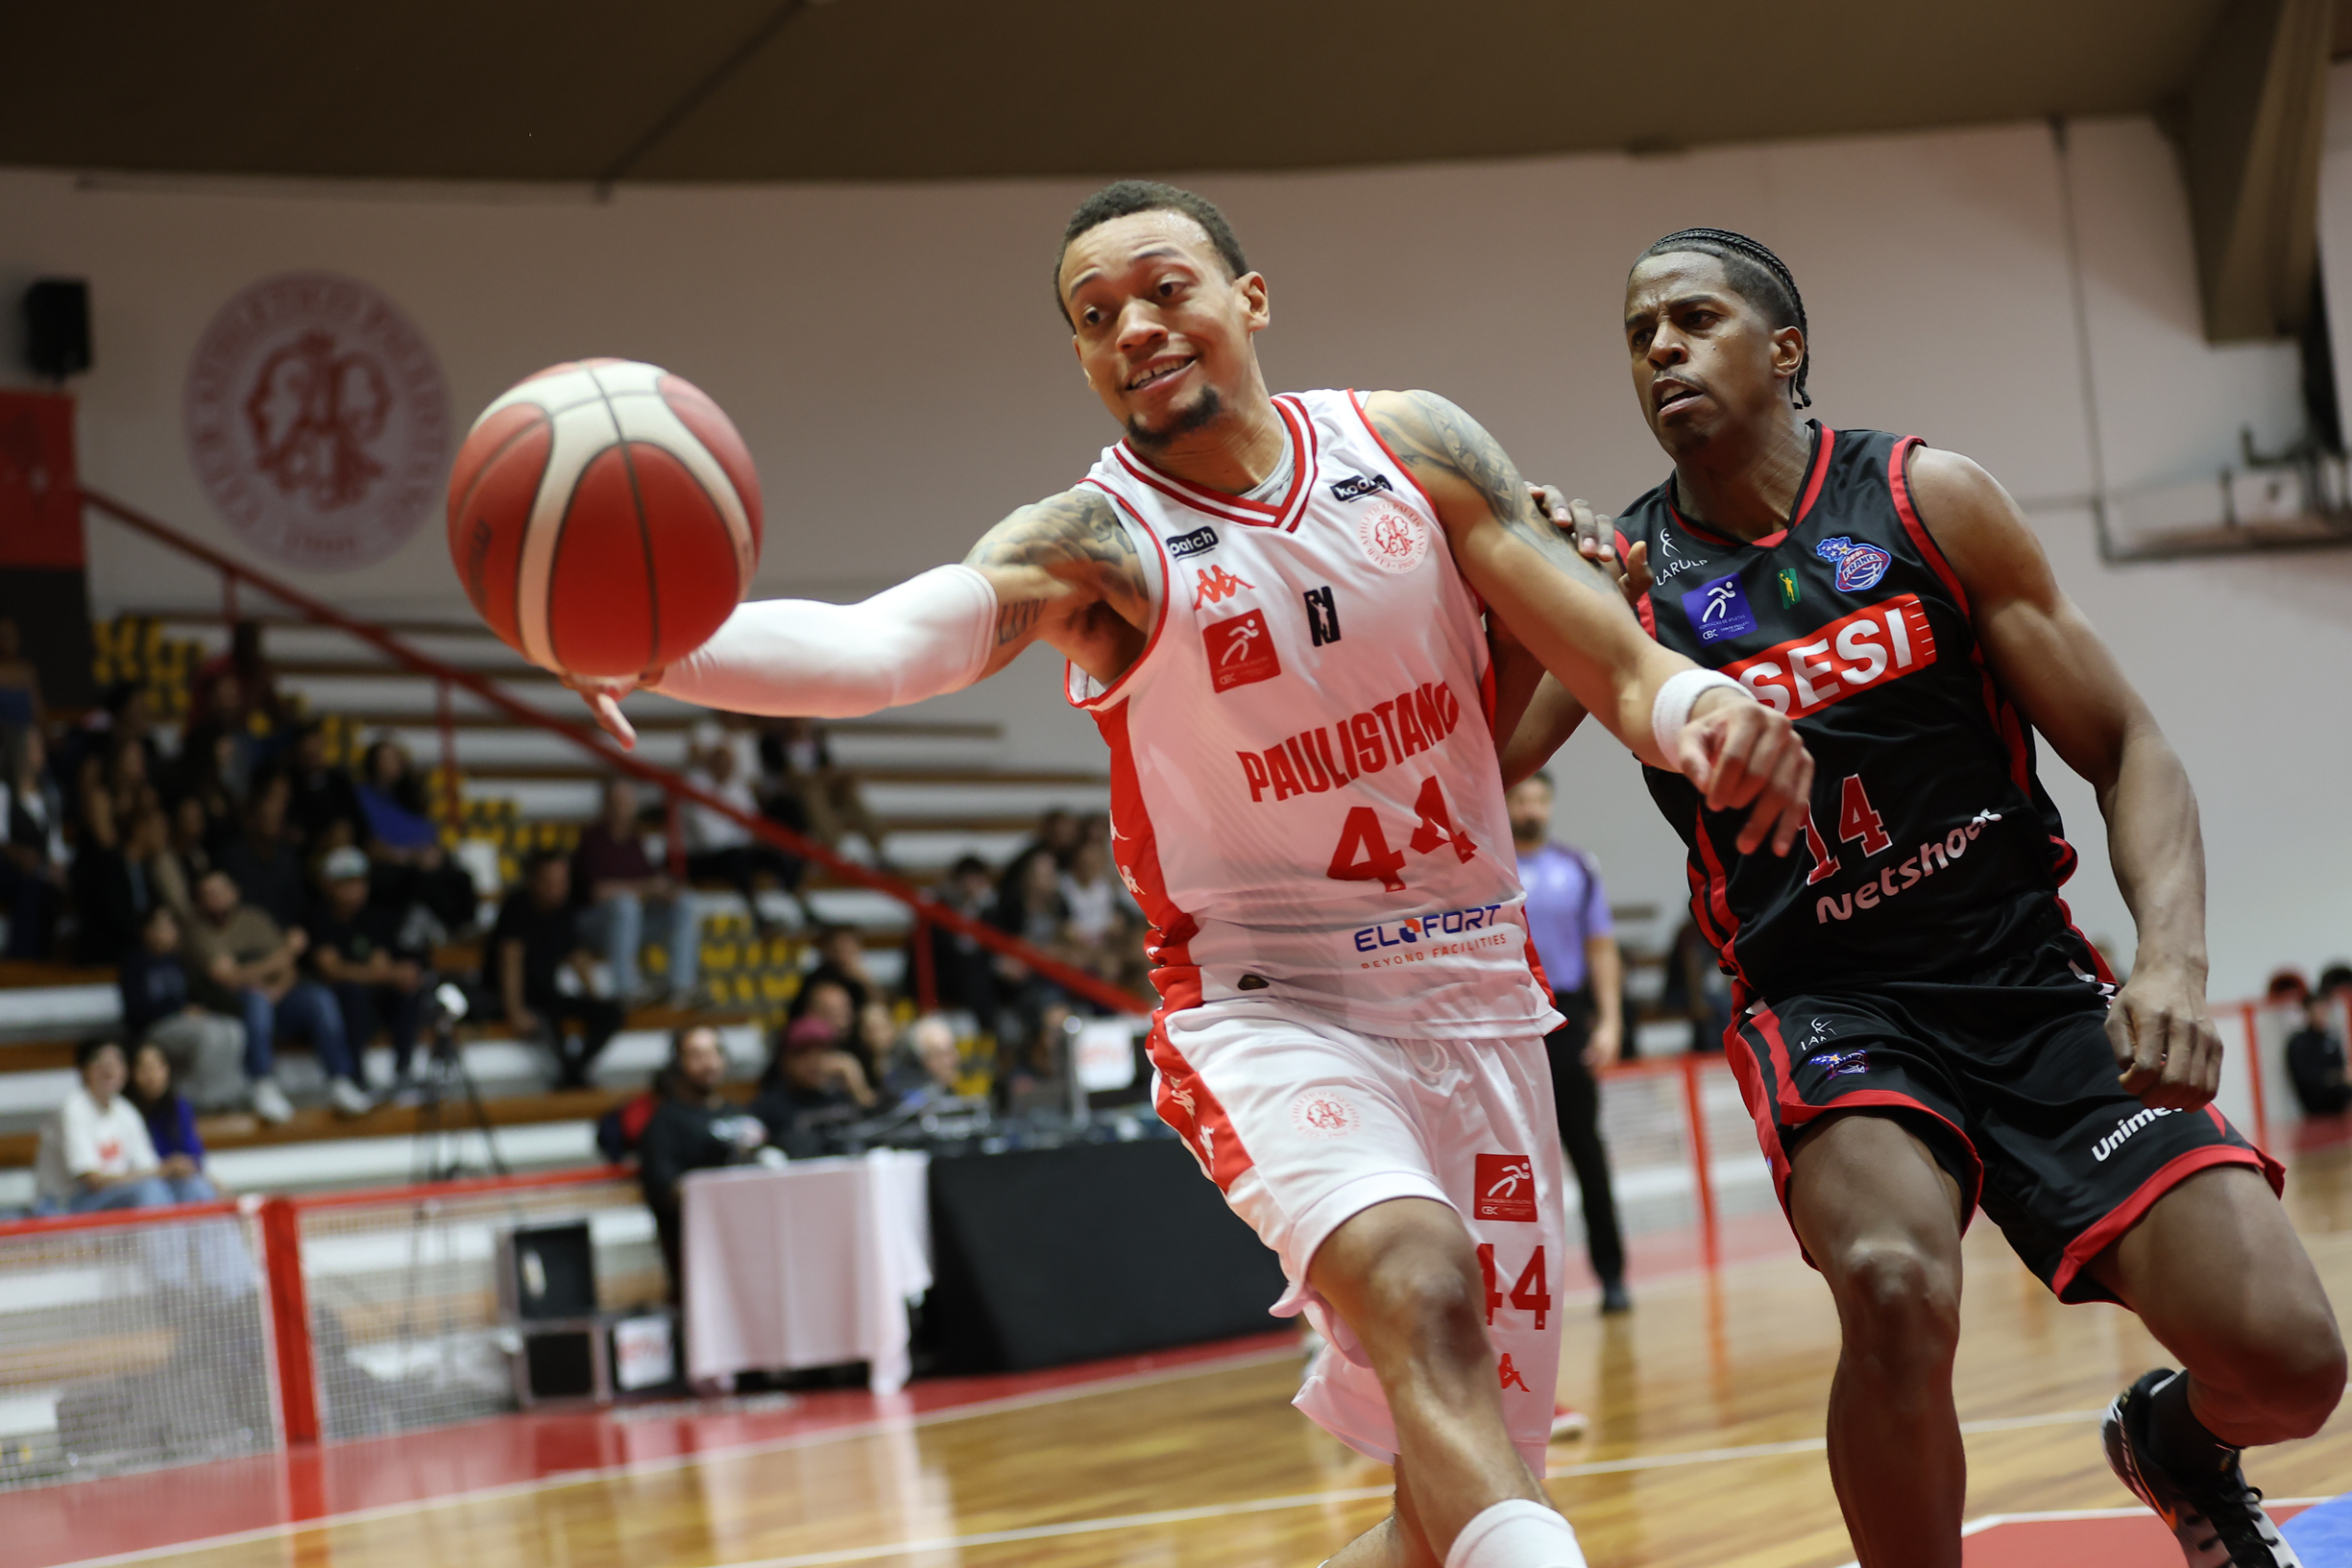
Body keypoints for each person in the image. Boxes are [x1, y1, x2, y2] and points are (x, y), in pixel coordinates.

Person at [571, 181, 1810, 1568]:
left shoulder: (1411, 444)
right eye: (1096, 315)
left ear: (1249, 299)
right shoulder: (1093, 544)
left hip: (1481, 997)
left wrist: (1708, 711)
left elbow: (1617, 659)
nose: (1135, 327)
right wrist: (661, 640)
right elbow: (881, 648)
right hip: (1276, 1006)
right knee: (1421, 1284)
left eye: (1165, 289)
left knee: (1451, 1505)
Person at [1520, 227, 2343, 1568]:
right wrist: (1525, 589)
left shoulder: (1923, 499)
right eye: (1637, 333)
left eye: (1693, 318)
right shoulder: (1621, 581)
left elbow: (2127, 745)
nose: (1659, 347)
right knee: (1892, 1283)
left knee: (2293, 1366)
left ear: (1783, 348)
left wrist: (2171, 964)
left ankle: (2176, 1444)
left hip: (2030, 985)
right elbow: (1480, 767)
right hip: (1832, 1005)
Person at [1505, 773, 1629, 1315]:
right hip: (1509, 1024)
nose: (1531, 808)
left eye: (1539, 798)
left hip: (1568, 1018)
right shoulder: (1486, 867)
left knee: (1587, 1153)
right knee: (1512, 1163)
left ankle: (1612, 1276)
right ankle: (1519, 1289)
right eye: (1520, 798)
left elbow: (1601, 946)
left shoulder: (1577, 867)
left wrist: (1610, 1023)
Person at [182, 867, 368, 1121]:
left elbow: (288, 968)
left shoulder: (255, 919)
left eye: (222, 890)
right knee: (256, 1002)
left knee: (319, 998)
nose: (218, 897)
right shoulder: (198, 930)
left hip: (276, 996)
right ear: (199, 902)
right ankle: (262, 1083)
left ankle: (340, 1079)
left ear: (235, 891)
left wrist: (276, 987)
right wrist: (281, 957)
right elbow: (228, 978)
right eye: (210, 894)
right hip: (228, 1005)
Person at [639, 1024, 767, 1293]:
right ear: (678, 1064)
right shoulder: (665, 1123)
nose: (709, 1063)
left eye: (714, 1052)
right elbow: (667, 1190)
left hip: (760, 1240)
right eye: (697, 1055)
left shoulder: (742, 1114)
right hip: (706, 1254)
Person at [491, 852, 622, 1088]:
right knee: (548, 1022)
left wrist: (594, 995)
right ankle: (570, 1077)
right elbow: (511, 961)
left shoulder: (564, 910)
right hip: (513, 997)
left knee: (611, 1012)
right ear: (533, 881)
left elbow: (576, 955)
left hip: (548, 995)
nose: (557, 889)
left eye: (562, 882)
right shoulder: (517, 907)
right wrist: (515, 1010)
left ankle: (575, 1072)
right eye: (550, 882)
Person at [306, 845, 430, 1095]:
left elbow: (380, 963)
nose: (356, 890)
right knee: (351, 992)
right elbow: (332, 971)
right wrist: (382, 973)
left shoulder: (371, 918)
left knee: (407, 989)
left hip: (370, 995)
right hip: (334, 1000)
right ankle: (356, 1075)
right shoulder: (318, 918)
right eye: (347, 883)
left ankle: (403, 1069)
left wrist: (386, 973)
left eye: (360, 882)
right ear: (329, 885)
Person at [573, 777, 705, 1007]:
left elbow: (650, 880)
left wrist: (666, 890)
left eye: (627, 802)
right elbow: (598, 892)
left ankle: (682, 986)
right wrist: (646, 887)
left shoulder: (635, 841)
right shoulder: (591, 841)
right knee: (625, 905)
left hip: (632, 924)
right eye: (618, 802)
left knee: (685, 902)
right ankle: (627, 990)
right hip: (594, 924)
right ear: (606, 805)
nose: (623, 808)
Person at [119, 903, 247, 1111]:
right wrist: (177, 1010)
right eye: (163, 925)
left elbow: (201, 995)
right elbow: (136, 1010)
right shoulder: (135, 964)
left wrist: (202, 1008)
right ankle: (199, 1104)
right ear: (147, 930)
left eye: (172, 925)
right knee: (207, 1035)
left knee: (233, 1029)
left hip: (185, 1021)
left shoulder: (178, 961)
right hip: (154, 1026)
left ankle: (227, 1097)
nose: (170, 931)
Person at [35, 1041, 174, 1214]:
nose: (109, 1070)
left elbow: (148, 1168)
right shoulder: (73, 1108)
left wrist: (162, 1172)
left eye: (116, 1063)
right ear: (84, 1070)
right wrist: (164, 1170)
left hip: (111, 1193)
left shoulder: (126, 1110)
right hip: (66, 1203)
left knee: (189, 1187)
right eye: (101, 1063)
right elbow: (93, 1181)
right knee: (149, 1191)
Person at [123, 1041, 223, 1202]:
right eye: (145, 1069)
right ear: (131, 1073)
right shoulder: (125, 1111)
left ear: (167, 1070)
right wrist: (167, 1166)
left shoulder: (179, 1107)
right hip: (142, 1180)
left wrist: (201, 1174)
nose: (152, 1076)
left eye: (157, 1067)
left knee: (200, 1188)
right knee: (154, 1192)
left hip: (177, 1179)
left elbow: (194, 1155)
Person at [754, 1015, 879, 1141]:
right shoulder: (769, 1109)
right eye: (803, 1053)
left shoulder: (841, 1098)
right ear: (785, 1060)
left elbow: (876, 1130)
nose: (813, 1062)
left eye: (821, 1053)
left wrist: (858, 1088)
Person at [1, 725, 67, 958]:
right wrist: (21, 855)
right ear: (21, 752)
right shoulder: (4, 792)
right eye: (35, 746)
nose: (41, 752)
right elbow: (2, 840)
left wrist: (56, 867)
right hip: (10, 867)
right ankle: (22, 957)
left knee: (51, 886)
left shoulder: (48, 796)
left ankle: (47, 956)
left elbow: (55, 844)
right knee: (29, 883)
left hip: (40, 868)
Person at [2285, 996, 2350, 1117]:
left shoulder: (2331, 1038)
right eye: (2317, 1009)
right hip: (2316, 1103)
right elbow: (2305, 1077)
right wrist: (2333, 1077)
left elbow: (2340, 1066)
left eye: (2323, 1009)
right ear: (2308, 1012)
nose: (2321, 1013)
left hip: (2338, 1100)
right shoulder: (2299, 1042)